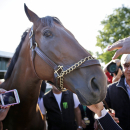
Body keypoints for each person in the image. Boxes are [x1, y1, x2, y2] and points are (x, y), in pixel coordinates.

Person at [105, 53, 130, 130]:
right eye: (126, 65)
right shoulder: (111, 89)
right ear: (122, 67)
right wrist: (107, 116)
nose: (129, 69)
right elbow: (100, 111)